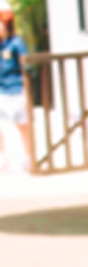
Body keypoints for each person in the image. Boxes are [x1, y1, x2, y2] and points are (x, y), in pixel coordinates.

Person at [0, 2, 28, 172]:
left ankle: (27, 157)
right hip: (1, 91)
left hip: (16, 90)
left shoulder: (16, 43)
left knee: (22, 124)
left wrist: (26, 93)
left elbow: (26, 68)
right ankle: (3, 157)